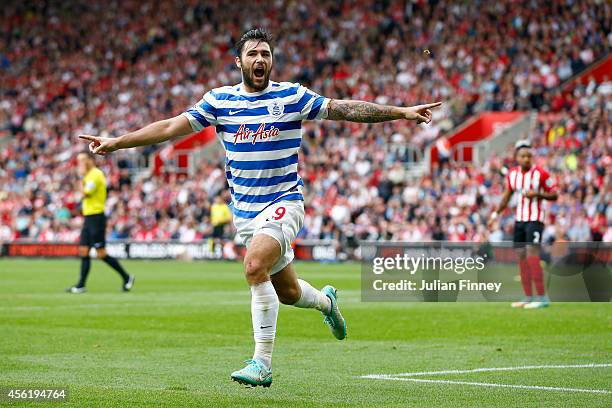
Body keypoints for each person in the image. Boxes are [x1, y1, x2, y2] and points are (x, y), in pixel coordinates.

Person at [78, 28, 441, 387]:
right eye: (252, 54)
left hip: (285, 202)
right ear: (239, 61)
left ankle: (261, 363)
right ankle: (326, 303)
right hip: (246, 213)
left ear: (271, 61)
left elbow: (343, 108)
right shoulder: (220, 101)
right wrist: (118, 142)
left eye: (265, 54)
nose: (260, 59)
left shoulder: (292, 97)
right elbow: (172, 127)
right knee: (289, 293)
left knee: (253, 266)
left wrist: (403, 112)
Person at [489, 140, 558, 309]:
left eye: (529, 156)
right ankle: (528, 296)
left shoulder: (541, 174)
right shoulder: (513, 174)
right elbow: (506, 197)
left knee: (532, 254)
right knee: (521, 257)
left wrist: (539, 194)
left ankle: (542, 298)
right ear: (517, 158)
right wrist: (495, 214)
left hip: (535, 220)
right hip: (519, 221)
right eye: (523, 156)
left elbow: (554, 195)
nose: (526, 159)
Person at [66, 152, 135, 294]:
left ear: (90, 160)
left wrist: (79, 178)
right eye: (79, 161)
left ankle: (127, 277)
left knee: (101, 253)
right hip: (88, 217)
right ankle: (80, 285)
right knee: (83, 251)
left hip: (96, 217)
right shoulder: (88, 176)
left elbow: (86, 193)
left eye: (83, 160)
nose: (80, 163)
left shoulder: (96, 174)